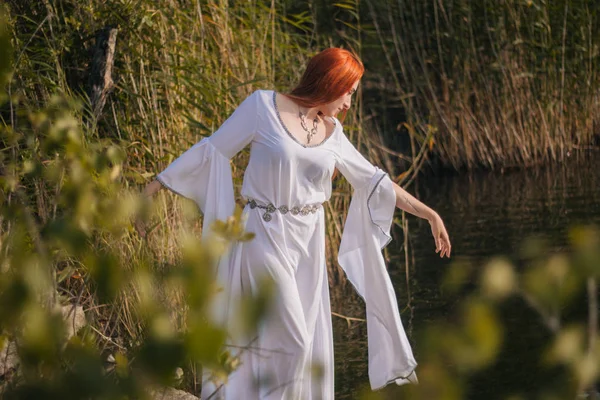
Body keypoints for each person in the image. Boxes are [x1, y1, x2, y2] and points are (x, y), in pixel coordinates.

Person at [135, 48, 451, 400]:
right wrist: (153, 187)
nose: (349, 104)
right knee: (296, 341)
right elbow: (213, 150)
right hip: (263, 235)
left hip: (308, 247)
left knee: (286, 345)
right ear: (332, 83)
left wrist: (430, 214)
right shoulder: (262, 106)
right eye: (348, 92)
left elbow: (374, 182)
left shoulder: (333, 132)